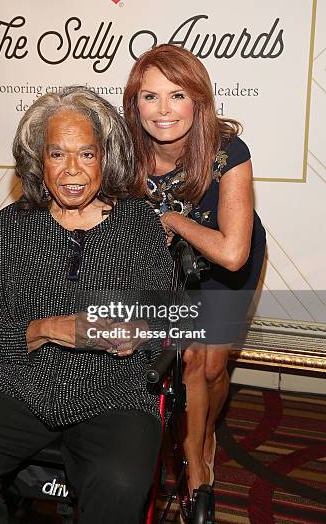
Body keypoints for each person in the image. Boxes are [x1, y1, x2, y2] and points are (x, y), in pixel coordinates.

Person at [0, 87, 175, 524]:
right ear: (39, 162)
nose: (72, 170)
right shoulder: (10, 226)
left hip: (114, 389)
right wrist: (44, 328)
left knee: (119, 483)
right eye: (57, 154)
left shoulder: (138, 224)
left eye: (86, 154)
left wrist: (137, 333)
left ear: (106, 157)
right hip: (22, 385)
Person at [123, 44, 266, 494]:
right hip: (168, 263)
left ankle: (206, 434)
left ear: (198, 100)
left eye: (177, 95)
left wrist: (171, 220)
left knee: (212, 368)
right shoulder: (124, 150)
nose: (163, 110)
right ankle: (194, 458)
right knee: (189, 359)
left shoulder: (228, 151)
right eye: (150, 97)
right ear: (135, 103)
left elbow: (231, 253)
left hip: (226, 263)